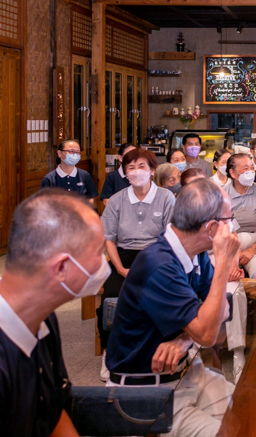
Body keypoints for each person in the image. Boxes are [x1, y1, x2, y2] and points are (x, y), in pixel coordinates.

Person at [105, 179, 239, 437]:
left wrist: (184, 339)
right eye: (228, 218)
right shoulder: (159, 265)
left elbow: (222, 314)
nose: (231, 226)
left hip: (185, 374)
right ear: (212, 227)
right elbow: (209, 334)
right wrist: (223, 262)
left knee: (246, 411)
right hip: (145, 393)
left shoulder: (195, 252)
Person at [0, 188, 108, 436]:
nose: (104, 263)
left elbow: (52, 411)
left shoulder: (43, 319)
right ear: (61, 268)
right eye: (99, 253)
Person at [98, 148, 175, 382]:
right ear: (124, 172)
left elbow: (171, 236)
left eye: (142, 166)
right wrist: (120, 268)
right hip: (123, 256)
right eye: (130, 167)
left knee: (165, 294)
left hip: (157, 255)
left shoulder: (166, 197)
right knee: (110, 298)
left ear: (152, 171)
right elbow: (108, 238)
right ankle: (108, 352)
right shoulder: (118, 199)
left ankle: (161, 348)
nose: (136, 171)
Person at [223, 153, 256, 280]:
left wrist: (252, 250)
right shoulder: (222, 193)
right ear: (233, 173)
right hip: (229, 242)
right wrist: (234, 255)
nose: (250, 172)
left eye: (252, 168)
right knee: (226, 274)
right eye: (245, 168)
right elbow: (221, 226)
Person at [40, 139, 98, 205]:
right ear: (59, 153)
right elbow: (44, 202)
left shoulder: (85, 175)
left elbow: (90, 199)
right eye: (71, 151)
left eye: (78, 152)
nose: (75, 155)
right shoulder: (49, 179)